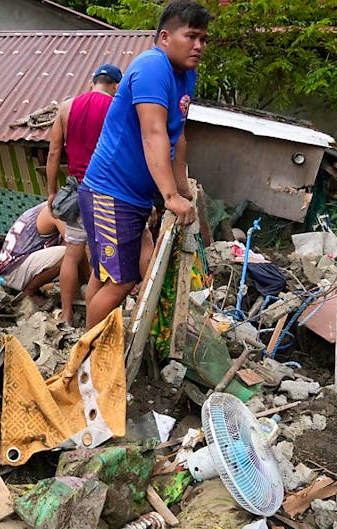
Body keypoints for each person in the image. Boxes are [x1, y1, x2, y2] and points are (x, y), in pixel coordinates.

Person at [77, 0, 211, 330]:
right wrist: (169, 196)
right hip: (110, 191)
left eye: (203, 39)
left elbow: (176, 135)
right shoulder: (153, 68)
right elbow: (153, 134)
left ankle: (86, 348)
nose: (198, 46)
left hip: (130, 195)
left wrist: (181, 187)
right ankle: (89, 364)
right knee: (123, 280)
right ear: (165, 37)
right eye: (191, 36)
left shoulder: (185, 75)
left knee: (105, 272)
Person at [45, 63, 123, 323]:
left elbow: (54, 151)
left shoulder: (66, 107)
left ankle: (66, 314)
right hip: (105, 192)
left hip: (75, 190)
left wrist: (51, 192)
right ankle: (95, 316)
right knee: (101, 257)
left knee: (72, 254)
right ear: (115, 86)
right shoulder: (116, 108)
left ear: (92, 83)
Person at [0, 202, 65, 300]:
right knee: (70, 253)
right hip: (13, 273)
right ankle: (29, 293)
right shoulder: (56, 211)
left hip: (9, 270)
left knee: (70, 253)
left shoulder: (49, 206)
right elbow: (76, 245)